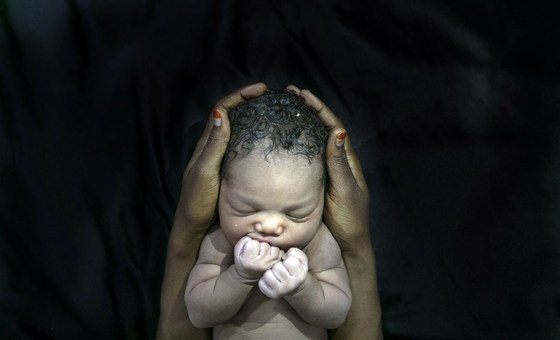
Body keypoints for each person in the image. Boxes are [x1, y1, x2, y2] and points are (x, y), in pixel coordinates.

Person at [156, 83, 383, 340]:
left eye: (297, 214)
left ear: (323, 201)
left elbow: (337, 314)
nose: (270, 225)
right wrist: (239, 277)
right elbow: (198, 314)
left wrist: (303, 289)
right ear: (220, 193)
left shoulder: (318, 245)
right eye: (245, 209)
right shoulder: (219, 245)